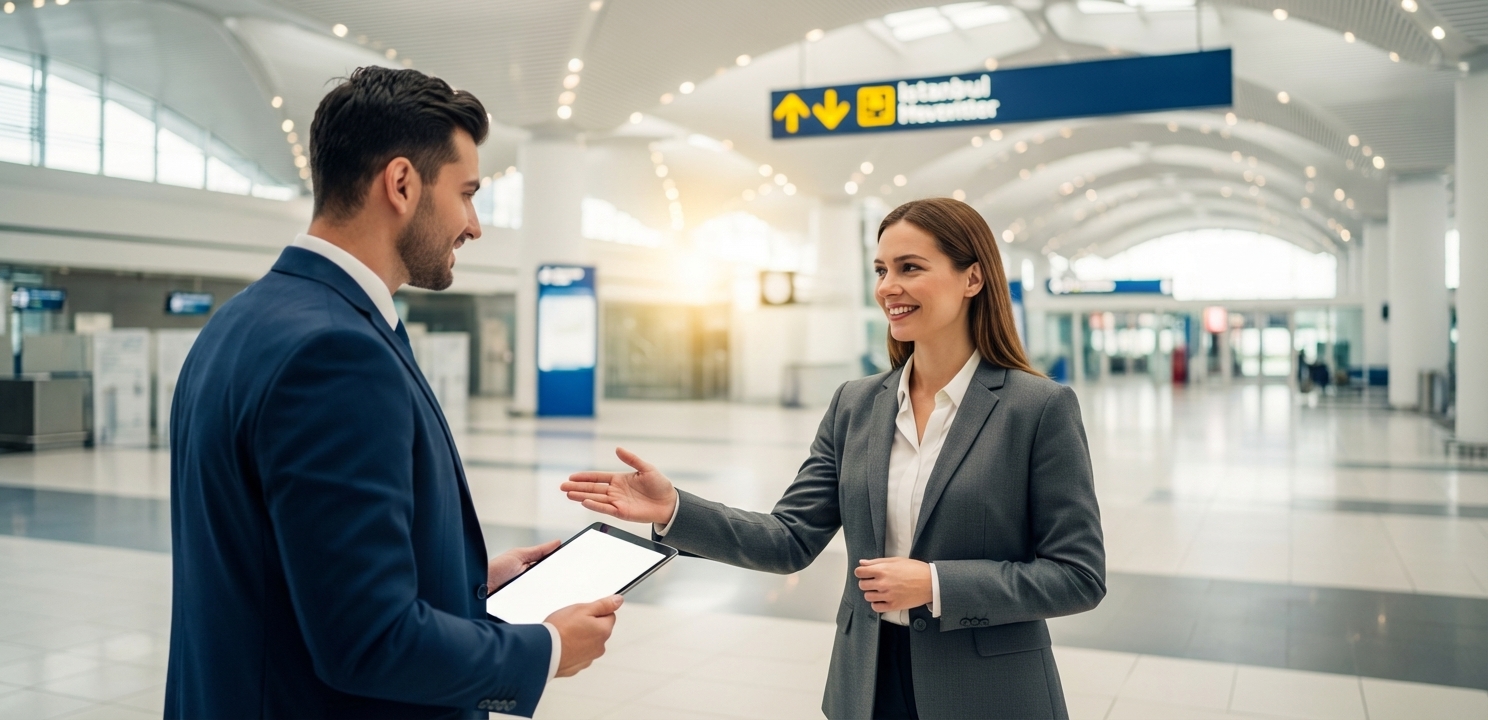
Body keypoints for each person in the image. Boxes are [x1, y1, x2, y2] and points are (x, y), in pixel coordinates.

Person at [165, 67, 620, 720]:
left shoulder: (243, 321)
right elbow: (367, 643)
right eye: (466, 194)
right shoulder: (336, 352)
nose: (474, 225)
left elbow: (288, 569)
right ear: (402, 184)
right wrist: (545, 649)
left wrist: (464, 585)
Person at [563, 198, 1105, 720]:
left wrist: (936, 584)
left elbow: (1077, 574)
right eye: (880, 269)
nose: (888, 287)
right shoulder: (857, 404)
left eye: (910, 267)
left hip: (988, 693)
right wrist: (673, 509)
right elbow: (790, 539)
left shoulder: (1038, 409)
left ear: (972, 278)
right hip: (865, 685)